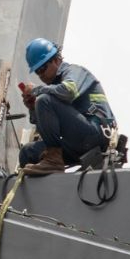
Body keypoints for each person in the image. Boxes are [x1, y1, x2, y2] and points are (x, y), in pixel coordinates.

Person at [18, 38, 116, 175]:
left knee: (44, 100)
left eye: (43, 68)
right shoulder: (52, 91)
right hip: (77, 142)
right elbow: (44, 127)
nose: (42, 75)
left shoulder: (74, 71)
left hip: (95, 134)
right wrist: (32, 108)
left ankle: (53, 161)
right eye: (38, 72)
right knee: (27, 152)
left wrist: (36, 91)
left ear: (56, 60)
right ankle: (45, 190)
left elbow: (69, 91)